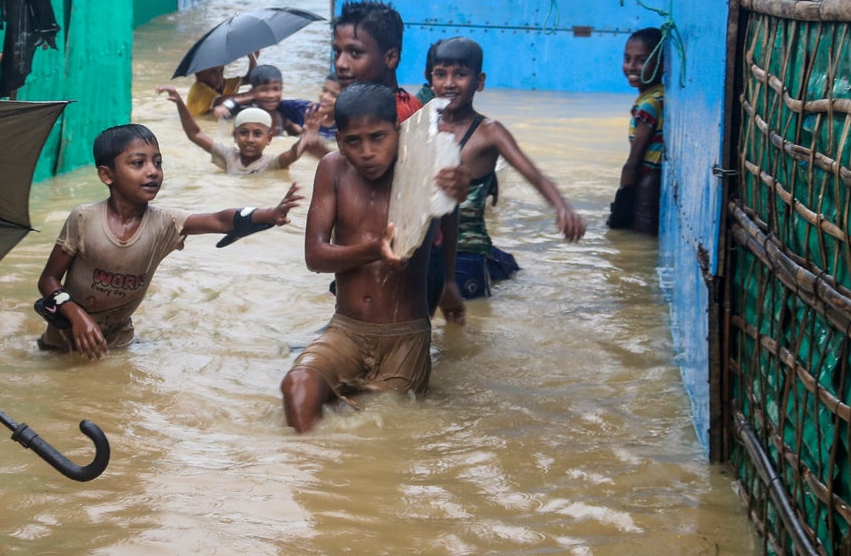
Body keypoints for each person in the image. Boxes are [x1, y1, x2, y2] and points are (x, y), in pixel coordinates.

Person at [279, 84, 465, 433]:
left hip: (405, 336)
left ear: (397, 129)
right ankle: (309, 471)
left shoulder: (422, 168)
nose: (366, 152)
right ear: (338, 139)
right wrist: (373, 250)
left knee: (382, 429)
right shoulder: (333, 169)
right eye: (353, 141)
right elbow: (315, 256)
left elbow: (448, 218)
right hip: (346, 329)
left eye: (378, 137)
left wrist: (450, 281)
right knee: (297, 387)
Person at [35, 124, 303, 357]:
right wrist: (74, 313)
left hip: (117, 343)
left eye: (158, 163)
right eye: (138, 163)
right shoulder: (83, 219)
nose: (153, 171)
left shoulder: (165, 223)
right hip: (61, 342)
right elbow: (48, 280)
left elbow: (220, 220)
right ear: (107, 175)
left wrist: (270, 213)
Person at [426, 37, 585, 299]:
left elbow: (532, 174)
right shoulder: (423, 124)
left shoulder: (489, 132)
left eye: (461, 75)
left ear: (479, 82)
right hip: (426, 250)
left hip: (468, 254)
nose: (450, 83)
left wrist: (562, 207)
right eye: (441, 74)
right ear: (431, 79)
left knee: (466, 332)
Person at [158, 87, 321, 174]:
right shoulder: (228, 156)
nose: (250, 139)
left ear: (269, 138)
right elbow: (195, 134)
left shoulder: (271, 163)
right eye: (243, 133)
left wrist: (305, 138)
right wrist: (180, 103)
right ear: (234, 136)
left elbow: (292, 154)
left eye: (257, 134)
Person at [608, 28, 665, 234]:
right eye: (627, 59)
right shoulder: (659, 96)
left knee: (640, 236)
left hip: (646, 186)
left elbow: (634, 160)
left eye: (642, 60)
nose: (632, 67)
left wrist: (623, 198)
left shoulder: (649, 105)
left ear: (660, 63)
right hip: (651, 183)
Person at [330, 0, 422, 123]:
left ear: (390, 58)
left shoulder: (391, 118)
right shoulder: (405, 104)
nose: (340, 64)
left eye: (355, 53)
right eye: (337, 52)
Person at [212, 64, 314, 136]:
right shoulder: (247, 113)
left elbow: (298, 135)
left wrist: (309, 131)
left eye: (276, 89)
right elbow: (221, 106)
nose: (271, 95)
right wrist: (222, 109)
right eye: (264, 90)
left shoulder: (282, 117)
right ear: (252, 92)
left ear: (282, 90)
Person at [184, 51, 258, 115]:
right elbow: (220, 101)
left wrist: (251, 57)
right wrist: (254, 95)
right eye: (213, 72)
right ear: (199, 75)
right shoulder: (199, 89)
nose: (219, 76)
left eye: (221, 71)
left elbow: (250, 79)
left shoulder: (223, 83)